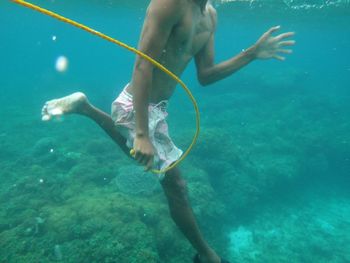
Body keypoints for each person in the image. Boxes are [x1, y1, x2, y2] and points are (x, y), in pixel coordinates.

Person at [41, 0, 295, 262]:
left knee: (148, 161)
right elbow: (142, 65)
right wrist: (140, 133)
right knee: (176, 186)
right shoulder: (170, 3)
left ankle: (85, 107)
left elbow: (205, 75)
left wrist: (251, 53)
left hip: (158, 109)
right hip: (137, 104)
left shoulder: (210, 16)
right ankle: (207, 255)